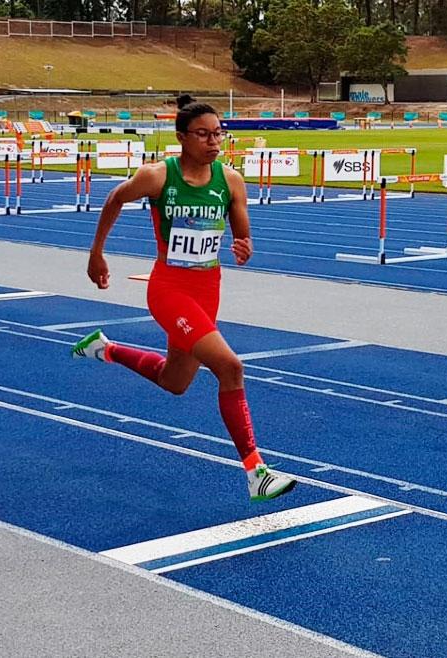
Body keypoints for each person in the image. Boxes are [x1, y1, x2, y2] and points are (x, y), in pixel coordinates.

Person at [71, 94, 297, 502]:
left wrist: (245, 246)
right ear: (182, 138)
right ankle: (255, 471)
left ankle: (106, 349)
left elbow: (242, 230)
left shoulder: (230, 180)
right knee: (230, 367)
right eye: (204, 135)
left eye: (218, 134)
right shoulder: (156, 176)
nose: (213, 142)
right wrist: (96, 253)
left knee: (174, 382)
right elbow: (114, 199)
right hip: (169, 289)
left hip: (208, 288)